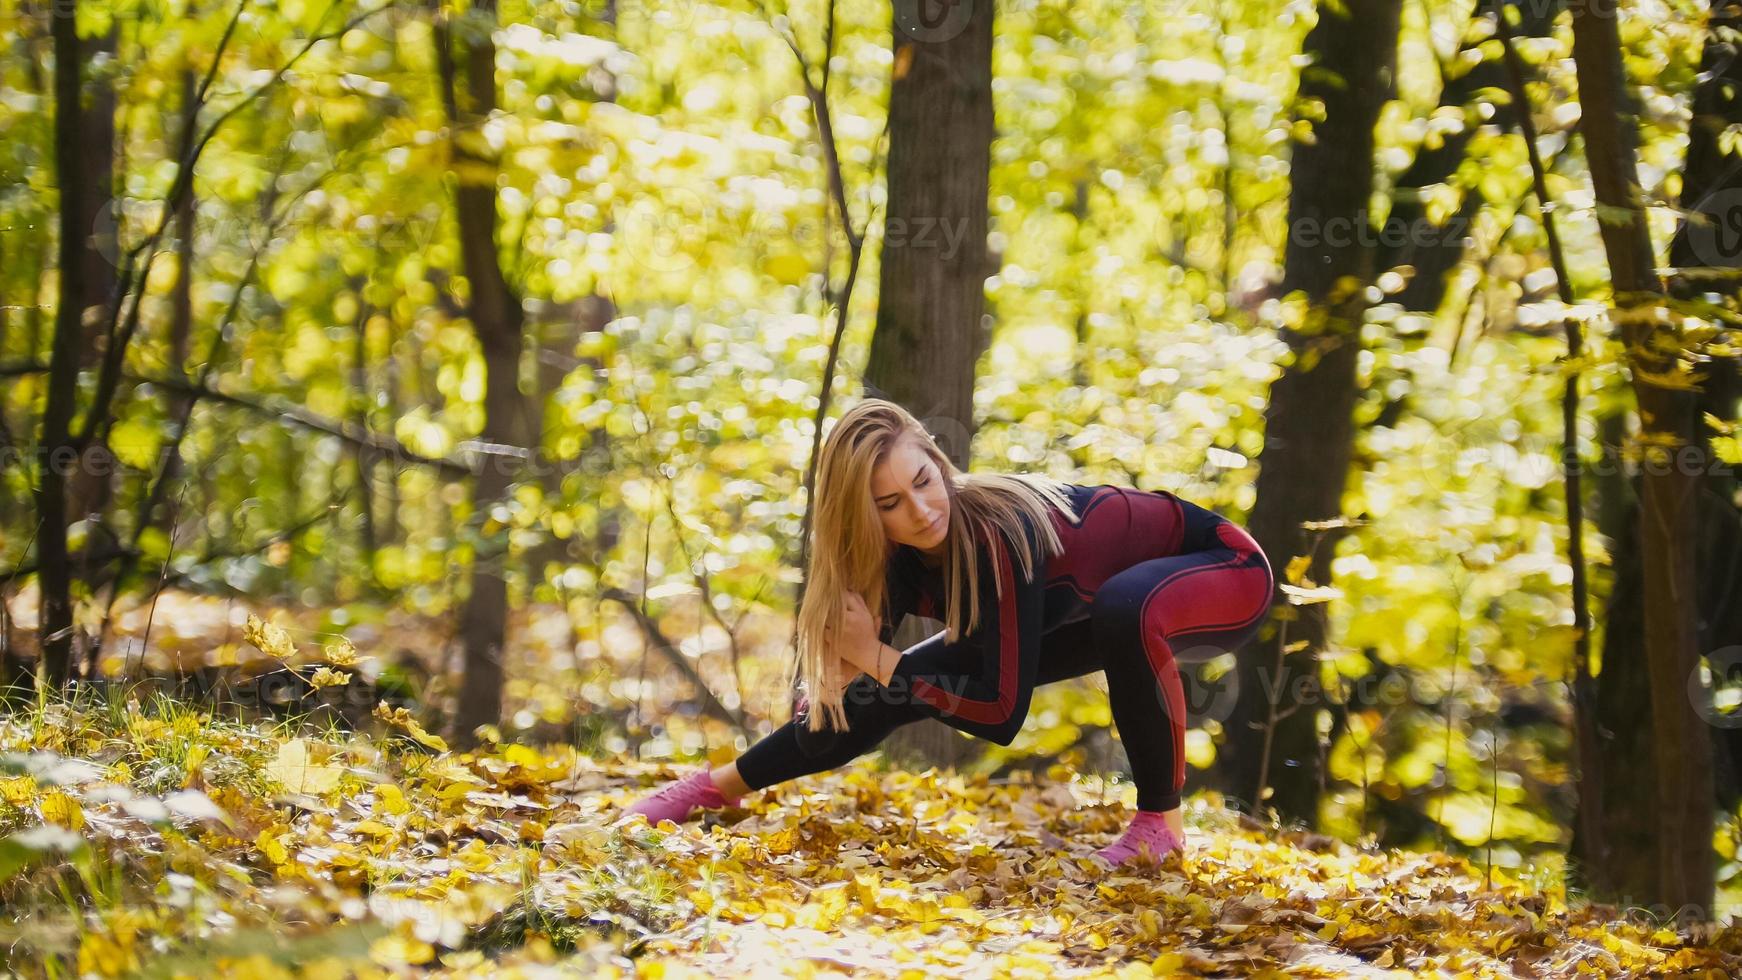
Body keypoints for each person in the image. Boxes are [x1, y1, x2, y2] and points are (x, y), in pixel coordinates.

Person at [619, 399, 1275, 868]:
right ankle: (711, 788)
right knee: (896, 684)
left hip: (1224, 572)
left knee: (1122, 606)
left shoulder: (998, 531)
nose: (922, 509)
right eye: (890, 503)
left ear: (938, 460)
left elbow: (999, 713)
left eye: (924, 481)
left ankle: (1160, 822)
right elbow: (869, 687)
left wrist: (875, 657)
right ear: (865, 514)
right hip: (1095, 614)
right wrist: (845, 676)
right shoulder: (895, 560)